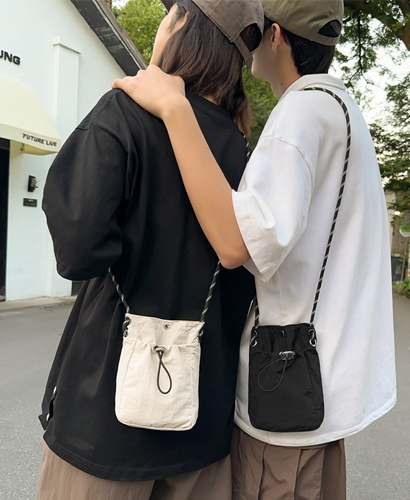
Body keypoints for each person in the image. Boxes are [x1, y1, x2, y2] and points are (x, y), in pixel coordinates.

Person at [113, 0, 397, 498]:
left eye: (257, 32)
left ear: (277, 36)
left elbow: (235, 244)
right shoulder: (344, 110)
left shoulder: (300, 112)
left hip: (285, 400)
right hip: (320, 388)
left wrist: (176, 110)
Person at [36, 1, 264, 499]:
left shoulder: (125, 113)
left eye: (168, 15)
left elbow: (77, 251)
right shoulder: (250, 153)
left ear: (183, 27)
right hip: (204, 421)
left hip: (104, 422)